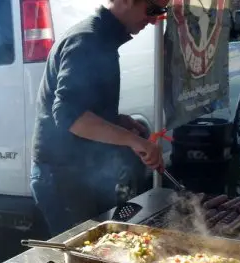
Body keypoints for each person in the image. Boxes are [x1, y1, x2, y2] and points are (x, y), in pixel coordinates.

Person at [30, 0, 169, 236]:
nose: (155, 19)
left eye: (161, 12)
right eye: (152, 9)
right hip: (63, 176)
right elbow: (69, 116)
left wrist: (117, 120)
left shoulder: (103, 39)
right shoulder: (86, 40)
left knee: (102, 244)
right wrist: (133, 140)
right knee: (84, 252)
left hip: (86, 171)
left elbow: (87, 108)